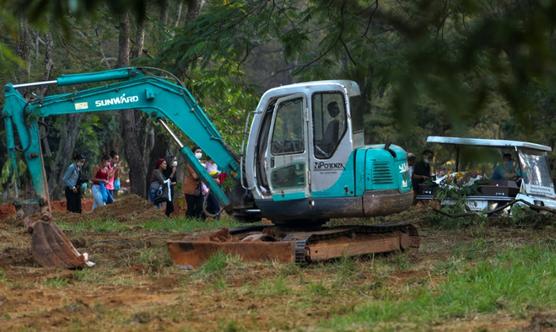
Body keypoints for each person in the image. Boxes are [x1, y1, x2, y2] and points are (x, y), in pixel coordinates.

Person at [183, 147, 205, 219]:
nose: (199, 153)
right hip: (190, 189)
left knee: (200, 206)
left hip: (199, 189)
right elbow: (195, 176)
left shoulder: (201, 163)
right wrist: (203, 171)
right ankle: (189, 221)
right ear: (193, 153)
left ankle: (198, 221)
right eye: (197, 152)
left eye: (200, 152)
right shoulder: (190, 164)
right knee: (191, 207)